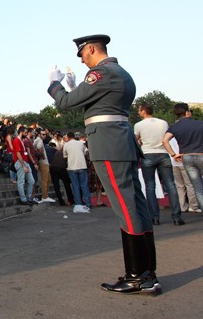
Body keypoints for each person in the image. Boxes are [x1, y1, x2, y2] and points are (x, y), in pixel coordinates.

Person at [47, 34, 159, 294]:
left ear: (92, 49)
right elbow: (91, 102)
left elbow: (65, 102)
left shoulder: (101, 73)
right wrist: (78, 87)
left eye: (83, 55)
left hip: (109, 144)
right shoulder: (119, 72)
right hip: (120, 142)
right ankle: (147, 272)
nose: (84, 61)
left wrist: (54, 85)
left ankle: (136, 276)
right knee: (136, 205)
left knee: (125, 206)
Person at [134, 103, 184, 226]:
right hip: (163, 154)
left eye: (139, 110)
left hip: (147, 155)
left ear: (143, 111)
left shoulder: (138, 125)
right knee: (171, 185)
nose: (138, 112)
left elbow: (135, 142)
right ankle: (177, 217)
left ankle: (154, 217)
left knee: (150, 186)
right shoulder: (163, 123)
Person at [162, 103, 203, 211]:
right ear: (187, 112)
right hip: (201, 154)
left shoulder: (174, 127)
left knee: (197, 187)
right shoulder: (200, 124)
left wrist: (174, 154)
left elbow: (164, 141)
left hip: (186, 157)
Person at [63, 131, 91, 212]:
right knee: (84, 185)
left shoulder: (66, 145)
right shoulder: (81, 143)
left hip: (72, 167)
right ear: (74, 136)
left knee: (75, 186)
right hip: (82, 166)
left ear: (68, 137)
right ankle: (88, 203)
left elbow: (65, 156)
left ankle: (78, 203)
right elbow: (85, 152)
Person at [13, 126, 36, 205]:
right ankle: (24, 199)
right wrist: (23, 165)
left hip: (24, 162)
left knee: (31, 181)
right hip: (21, 162)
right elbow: (18, 153)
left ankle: (28, 198)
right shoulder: (17, 140)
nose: (26, 134)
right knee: (21, 182)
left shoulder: (20, 140)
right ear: (21, 132)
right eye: (25, 133)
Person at [34, 129, 55, 203]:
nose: (44, 135)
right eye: (43, 134)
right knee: (45, 179)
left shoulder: (37, 140)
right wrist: (43, 156)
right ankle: (44, 196)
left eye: (45, 134)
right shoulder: (39, 140)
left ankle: (45, 195)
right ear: (39, 134)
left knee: (48, 179)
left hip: (43, 162)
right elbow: (40, 148)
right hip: (43, 162)